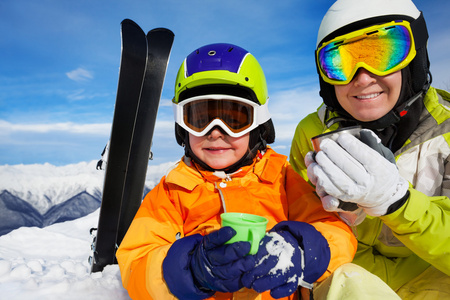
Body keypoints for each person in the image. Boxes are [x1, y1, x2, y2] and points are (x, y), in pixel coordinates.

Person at [116, 43, 357, 300]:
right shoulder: (173, 191)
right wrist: (191, 270)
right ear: (182, 127)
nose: (216, 131)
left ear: (258, 125)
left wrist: (303, 249)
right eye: (199, 118)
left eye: (234, 119)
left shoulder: (281, 178)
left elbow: (336, 231)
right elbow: (136, 262)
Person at [289, 0, 450, 298]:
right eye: (340, 62)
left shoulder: (448, 131)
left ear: (415, 60)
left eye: (384, 53)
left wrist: (396, 202)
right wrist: (340, 220)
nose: (362, 77)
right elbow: (303, 224)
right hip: (349, 278)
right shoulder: (313, 135)